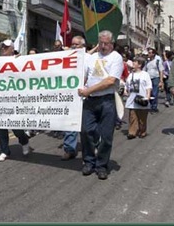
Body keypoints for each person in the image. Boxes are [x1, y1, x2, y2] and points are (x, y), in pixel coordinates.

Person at [77, 30, 123, 180]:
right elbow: (83, 77)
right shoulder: (91, 58)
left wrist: (88, 90)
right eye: (101, 43)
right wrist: (80, 88)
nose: (103, 46)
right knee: (86, 131)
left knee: (106, 136)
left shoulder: (116, 58)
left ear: (112, 43)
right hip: (90, 101)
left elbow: (110, 81)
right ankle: (89, 161)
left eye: (106, 43)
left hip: (106, 101)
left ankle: (102, 165)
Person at [0, 39, 30, 162]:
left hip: (14, 99)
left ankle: (24, 141)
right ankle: (4, 151)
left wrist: (21, 60)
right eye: (2, 47)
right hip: (0, 99)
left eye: (6, 47)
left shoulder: (19, 60)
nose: (3, 49)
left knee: (16, 127)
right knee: (1, 126)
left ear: (12, 48)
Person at [61, 35, 88, 161]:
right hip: (70, 96)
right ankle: (69, 150)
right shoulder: (66, 58)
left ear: (83, 45)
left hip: (86, 96)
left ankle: (90, 149)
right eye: (72, 44)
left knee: (86, 126)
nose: (73, 46)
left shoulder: (89, 59)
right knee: (70, 124)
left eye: (76, 44)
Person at [124, 56, 152, 139]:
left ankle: (142, 131)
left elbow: (148, 86)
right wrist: (125, 91)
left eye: (135, 62)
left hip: (142, 99)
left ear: (139, 65)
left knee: (142, 118)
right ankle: (132, 132)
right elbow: (127, 85)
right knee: (132, 117)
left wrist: (148, 96)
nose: (133, 63)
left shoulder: (145, 75)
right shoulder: (131, 75)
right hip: (132, 99)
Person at [144, 47, 164, 113]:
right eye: (148, 53)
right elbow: (144, 70)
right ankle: (150, 106)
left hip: (156, 78)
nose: (148, 54)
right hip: (148, 79)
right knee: (149, 92)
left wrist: (161, 81)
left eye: (150, 53)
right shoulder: (147, 62)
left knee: (155, 93)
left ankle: (154, 106)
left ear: (153, 54)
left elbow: (161, 70)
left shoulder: (157, 61)